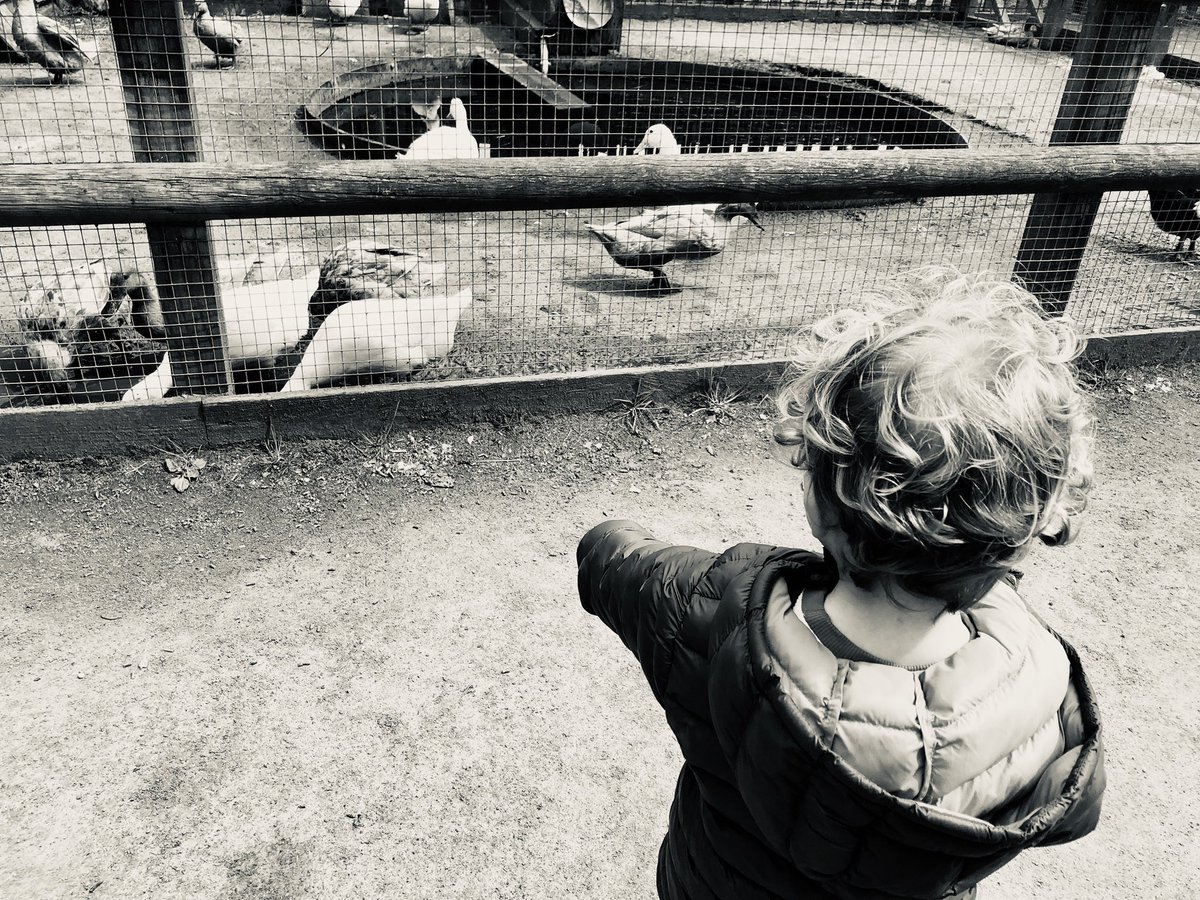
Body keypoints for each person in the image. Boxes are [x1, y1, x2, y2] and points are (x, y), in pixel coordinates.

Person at [577, 268, 1106, 899]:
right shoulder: (1043, 684)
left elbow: (617, 565)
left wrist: (608, 538)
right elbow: (1072, 809)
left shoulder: (720, 606)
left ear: (824, 503)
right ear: (1021, 529)